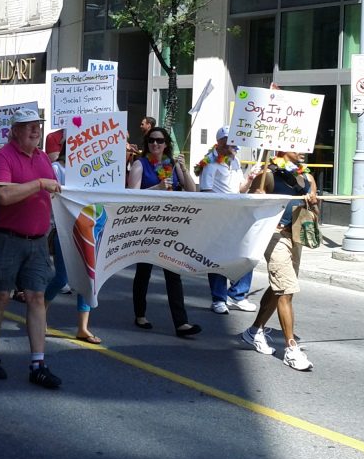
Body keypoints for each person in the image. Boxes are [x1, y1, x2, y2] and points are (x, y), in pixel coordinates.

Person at [0, 108, 62, 388]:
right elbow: (2, 195)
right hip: (7, 239)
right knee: (1, 296)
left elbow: (54, 191)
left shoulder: (42, 158)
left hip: (37, 241)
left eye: (37, 125)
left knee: (36, 297)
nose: (35, 130)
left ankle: (38, 363)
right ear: (14, 130)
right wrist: (38, 183)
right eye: (28, 126)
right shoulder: (3, 157)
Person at [241, 150, 319, 372]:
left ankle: (254, 331)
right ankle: (291, 350)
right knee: (285, 289)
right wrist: (258, 194)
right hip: (273, 236)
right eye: (299, 146)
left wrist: (312, 202)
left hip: (295, 236)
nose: (305, 151)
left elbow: (314, 213)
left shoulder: (307, 177)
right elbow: (249, 207)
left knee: (282, 286)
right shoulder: (269, 174)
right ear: (283, 149)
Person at [128, 126, 202, 338]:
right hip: (148, 225)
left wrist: (184, 169)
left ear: (166, 144)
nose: (155, 144)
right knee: (144, 271)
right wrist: (158, 188)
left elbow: (191, 191)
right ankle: (140, 314)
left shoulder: (171, 165)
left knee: (173, 272)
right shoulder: (139, 164)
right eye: (151, 141)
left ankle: (181, 323)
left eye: (160, 141)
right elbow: (132, 195)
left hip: (171, 225)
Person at [42, 129, 100, 344]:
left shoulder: (94, 171)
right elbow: (53, 196)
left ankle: (83, 328)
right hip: (64, 230)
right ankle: (41, 314)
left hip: (89, 229)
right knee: (62, 277)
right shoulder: (57, 168)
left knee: (87, 277)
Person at [195, 126, 259, 315]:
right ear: (220, 142)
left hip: (237, 215)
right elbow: (206, 193)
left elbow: (240, 189)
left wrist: (250, 179)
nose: (233, 143)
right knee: (217, 258)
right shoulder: (209, 163)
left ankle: (238, 295)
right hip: (219, 217)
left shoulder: (235, 160)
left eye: (234, 139)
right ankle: (218, 298)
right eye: (228, 139)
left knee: (246, 253)